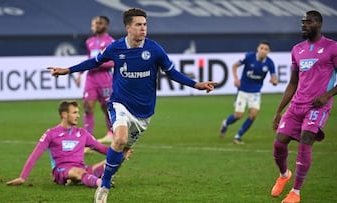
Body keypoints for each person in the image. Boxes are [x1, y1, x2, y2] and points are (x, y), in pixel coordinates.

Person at [47, 8, 217, 203]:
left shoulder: (154, 49)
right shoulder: (116, 48)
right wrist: (67, 70)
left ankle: (106, 174)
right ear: (128, 27)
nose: (143, 28)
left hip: (144, 113)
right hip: (120, 103)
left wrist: (197, 84)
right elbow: (94, 62)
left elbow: (172, 72)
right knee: (119, 139)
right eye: (138, 25)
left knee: (120, 153)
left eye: (145, 25)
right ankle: (104, 185)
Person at [271, 10, 337, 203]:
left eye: (308, 22)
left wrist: (327, 95)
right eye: (302, 22)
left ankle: (295, 193)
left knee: (305, 140)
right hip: (296, 105)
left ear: (318, 24)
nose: (303, 25)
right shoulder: (297, 49)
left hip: (317, 106)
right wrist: (279, 110)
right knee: (278, 144)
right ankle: (284, 175)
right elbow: (293, 83)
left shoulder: (332, 48)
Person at [7, 101, 111, 188]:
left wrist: (120, 151)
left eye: (78, 112)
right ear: (65, 114)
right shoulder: (51, 134)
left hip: (83, 168)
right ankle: (101, 183)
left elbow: (101, 148)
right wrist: (22, 177)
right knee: (77, 172)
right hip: (62, 170)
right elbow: (35, 155)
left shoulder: (82, 133)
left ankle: (85, 179)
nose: (78, 116)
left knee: (115, 158)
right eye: (74, 113)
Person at [219, 41, 278, 144]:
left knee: (253, 115)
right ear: (258, 49)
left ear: (269, 51)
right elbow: (234, 66)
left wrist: (274, 82)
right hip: (243, 90)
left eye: (266, 49)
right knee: (238, 115)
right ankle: (225, 122)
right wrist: (236, 79)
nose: (263, 51)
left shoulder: (269, 63)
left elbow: (274, 79)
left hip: (255, 92)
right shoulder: (249, 57)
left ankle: (238, 136)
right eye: (261, 48)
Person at [76, 16, 115, 144]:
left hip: (105, 79)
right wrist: (80, 73)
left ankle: (112, 133)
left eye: (99, 23)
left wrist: (97, 63)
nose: (96, 25)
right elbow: (89, 59)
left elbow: (113, 62)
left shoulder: (111, 42)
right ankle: (88, 140)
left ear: (106, 25)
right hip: (91, 79)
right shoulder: (89, 42)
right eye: (94, 23)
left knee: (107, 108)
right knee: (87, 107)